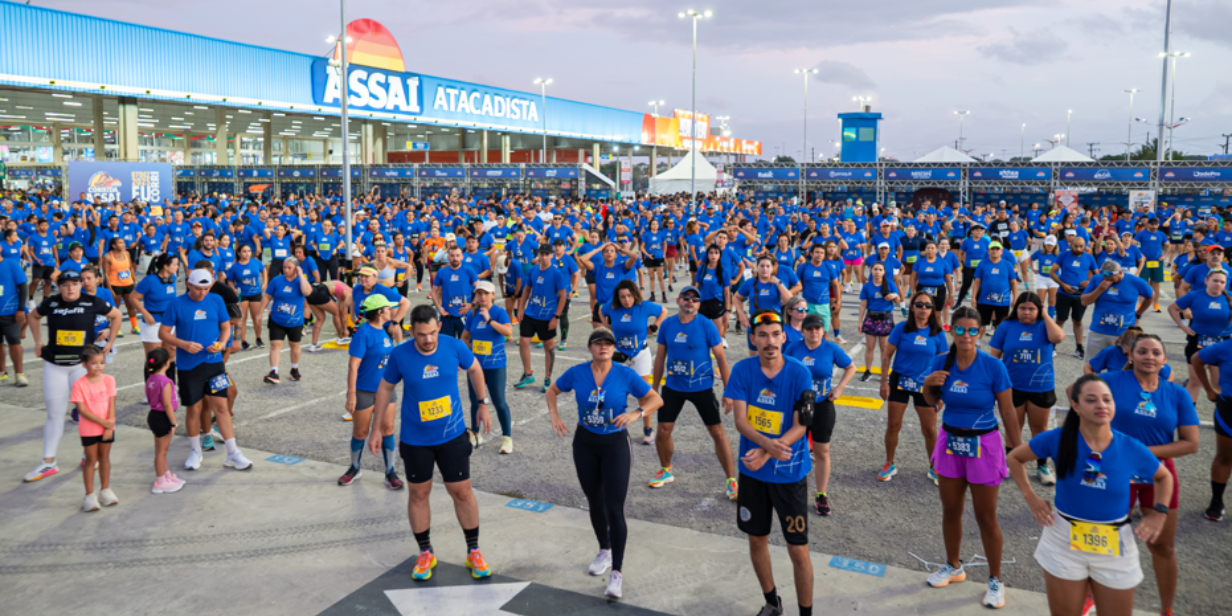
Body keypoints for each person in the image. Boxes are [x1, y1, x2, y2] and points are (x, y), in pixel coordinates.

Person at [1008, 374, 1173, 616]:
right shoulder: (1057, 438)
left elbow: (1164, 476)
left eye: (1107, 399)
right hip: (1063, 539)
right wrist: (1031, 497)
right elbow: (1015, 457)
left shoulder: (1130, 447)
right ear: (1075, 406)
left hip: (1114, 543)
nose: (1101, 405)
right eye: (1091, 400)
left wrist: (1159, 512)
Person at [367, 305, 494, 582]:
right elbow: (385, 388)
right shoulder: (400, 355)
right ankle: (426, 552)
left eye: (433, 333)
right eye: (422, 334)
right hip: (416, 441)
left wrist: (482, 404)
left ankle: (474, 549)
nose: (429, 340)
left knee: (462, 492)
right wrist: (376, 429)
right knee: (418, 495)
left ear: (439, 328)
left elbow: (474, 369)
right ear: (412, 331)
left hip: (452, 436)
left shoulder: (454, 346)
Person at [547, 327, 664, 599]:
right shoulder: (577, 373)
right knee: (594, 500)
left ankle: (617, 573)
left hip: (614, 445)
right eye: (598, 343)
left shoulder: (625, 375)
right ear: (590, 348)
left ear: (614, 349)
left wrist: (637, 414)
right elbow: (552, 390)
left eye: (608, 344)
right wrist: (554, 415)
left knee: (614, 507)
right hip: (585, 443)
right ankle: (604, 550)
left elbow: (656, 399)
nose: (603, 347)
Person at [921, 306, 1021, 609]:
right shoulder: (941, 362)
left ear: (981, 332)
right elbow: (932, 402)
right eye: (960, 330)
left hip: (984, 447)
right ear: (952, 330)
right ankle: (954, 566)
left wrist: (1016, 452)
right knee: (950, 510)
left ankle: (995, 579)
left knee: (986, 516)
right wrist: (928, 385)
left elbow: (1007, 411)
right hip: (950, 443)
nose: (966, 336)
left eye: (972, 330)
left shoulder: (993, 366)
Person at [725, 309, 815, 616]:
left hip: (788, 474)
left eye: (776, 334)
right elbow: (740, 421)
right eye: (762, 335)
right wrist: (764, 447)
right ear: (753, 338)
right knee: (756, 540)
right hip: (752, 472)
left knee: (797, 550)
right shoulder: (742, 370)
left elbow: (801, 425)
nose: (770, 341)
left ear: (784, 337)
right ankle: (772, 602)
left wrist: (766, 450)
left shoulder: (800, 372)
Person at [1101, 334, 1199, 616]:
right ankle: (1092, 599)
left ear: (1164, 360)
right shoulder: (1109, 381)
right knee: (1104, 545)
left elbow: (1190, 443)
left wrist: (1140, 451)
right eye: (1142, 351)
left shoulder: (1176, 393)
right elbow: (1075, 394)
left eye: (1156, 352)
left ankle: (1166, 609)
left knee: (1163, 547)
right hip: (1115, 474)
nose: (1149, 357)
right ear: (1130, 355)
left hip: (1159, 477)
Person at [23, 270, 121, 483]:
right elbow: (33, 316)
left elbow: (116, 315)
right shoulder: (51, 302)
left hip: (81, 367)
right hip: (55, 365)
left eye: (74, 284)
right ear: (59, 286)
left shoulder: (92, 301)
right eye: (65, 284)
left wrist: (110, 341)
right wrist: (38, 342)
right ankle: (48, 462)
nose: (70, 288)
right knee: (54, 415)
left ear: (80, 285)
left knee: (88, 413)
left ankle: (89, 456)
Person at [161, 268, 252, 472]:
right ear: (189, 285)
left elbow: (226, 327)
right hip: (188, 365)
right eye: (198, 289)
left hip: (214, 363)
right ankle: (195, 451)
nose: (202, 293)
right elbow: (163, 332)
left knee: (221, 407)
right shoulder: (176, 303)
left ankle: (232, 453)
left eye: (206, 288)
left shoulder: (216, 300)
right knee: (193, 409)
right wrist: (183, 344)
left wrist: (221, 343)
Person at [649, 285, 736, 497]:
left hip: (702, 387)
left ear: (699, 304)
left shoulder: (707, 325)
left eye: (694, 299)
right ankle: (666, 469)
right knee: (662, 431)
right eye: (686, 298)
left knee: (717, 432)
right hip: (673, 387)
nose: (690, 302)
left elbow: (721, 358)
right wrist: (653, 389)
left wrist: (729, 389)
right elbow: (660, 357)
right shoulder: (668, 325)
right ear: (678, 301)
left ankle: (731, 480)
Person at [988, 292, 1066, 485]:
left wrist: (1046, 315)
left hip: (1041, 386)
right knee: (1013, 426)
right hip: (1012, 387)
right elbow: (994, 356)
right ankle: (1011, 463)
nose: (1026, 312)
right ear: (1016, 309)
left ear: (1039, 309)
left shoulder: (1044, 326)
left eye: (1032, 309)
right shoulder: (1006, 326)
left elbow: (1059, 337)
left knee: (1039, 428)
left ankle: (1042, 466)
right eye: (1022, 308)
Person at [786, 313, 856, 516]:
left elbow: (851, 367)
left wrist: (839, 388)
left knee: (821, 452)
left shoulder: (831, 348)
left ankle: (821, 494)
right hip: (798, 405)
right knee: (792, 448)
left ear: (822, 330)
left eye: (817, 328)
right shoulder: (793, 348)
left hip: (822, 406)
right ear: (803, 330)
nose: (813, 332)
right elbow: (783, 370)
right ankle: (789, 489)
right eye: (809, 329)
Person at [878, 290, 948, 483]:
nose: (923, 309)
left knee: (930, 430)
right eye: (919, 304)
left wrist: (940, 392)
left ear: (933, 309)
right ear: (912, 308)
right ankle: (889, 462)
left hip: (926, 384)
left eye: (928, 305)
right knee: (893, 425)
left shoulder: (938, 333)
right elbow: (886, 355)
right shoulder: (902, 328)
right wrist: (884, 381)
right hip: (900, 381)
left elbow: (944, 364)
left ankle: (934, 466)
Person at [339, 294, 403, 490]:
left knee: (388, 430)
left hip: (386, 390)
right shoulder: (363, 333)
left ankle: (390, 472)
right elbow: (353, 366)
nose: (391, 310)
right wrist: (351, 394)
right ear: (379, 312)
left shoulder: (385, 331)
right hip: (364, 391)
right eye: (388, 308)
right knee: (360, 432)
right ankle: (355, 468)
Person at [462, 281, 515, 454]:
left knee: (499, 401)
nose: (482, 297)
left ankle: (507, 438)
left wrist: (490, 320)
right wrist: (463, 356)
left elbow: (508, 332)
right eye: (479, 293)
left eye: (486, 293)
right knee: (475, 401)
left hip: (495, 365)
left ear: (493, 295)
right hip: (475, 366)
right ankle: (476, 434)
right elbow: (465, 336)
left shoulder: (499, 313)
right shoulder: (472, 314)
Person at [1169, 268, 1232, 403]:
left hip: (1221, 344)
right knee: (1195, 381)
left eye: (1222, 282)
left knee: (1218, 383)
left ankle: (1223, 415)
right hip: (1197, 341)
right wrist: (1182, 326)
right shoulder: (1194, 295)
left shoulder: (1229, 298)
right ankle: (1188, 415)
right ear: (1206, 281)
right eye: (1215, 280)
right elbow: (1172, 308)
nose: (1218, 284)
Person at [514, 246, 569, 392]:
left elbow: (562, 296)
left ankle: (547, 378)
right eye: (541, 254)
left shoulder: (557, 273)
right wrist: (521, 308)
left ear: (551, 255)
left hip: (547, 316)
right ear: (538, 255)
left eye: (546, 254)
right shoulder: (532, 270)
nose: (544, 257)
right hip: (530, 313)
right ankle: (528, 373)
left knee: (548, 347)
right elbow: (526, 289)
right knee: (523, 342)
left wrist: (556, 317)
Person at [72, 346, 118, 512]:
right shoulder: (79, 384)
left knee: (105, 458)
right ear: (84, 364)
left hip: (107, 427)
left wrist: (109, 425)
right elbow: (82, 410)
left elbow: (112, 403)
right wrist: (103, 422)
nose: (99, 366)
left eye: (102, 363)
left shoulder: (109, 380)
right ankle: (89, 495)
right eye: (94, 363)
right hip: (89, 429)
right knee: (91, 460)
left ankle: (105, 490)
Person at [1080, 261, 1153, 360]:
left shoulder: (1135, 281)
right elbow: (1084, 301)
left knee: (1121, 367)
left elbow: (1150, 295)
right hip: (1098, 331)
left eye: (1111, 279)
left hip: (1124, 334)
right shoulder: (1097, 279)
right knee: (1092, 366)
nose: (1108, 281)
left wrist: (1139, 314)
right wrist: (1099, 290)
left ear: (1120, 272)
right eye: (1105, 278)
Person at [1194, 336, 1232, 521]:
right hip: (1229, 408)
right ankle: (1216, 502)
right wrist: (1209, 390)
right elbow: (1196, 359)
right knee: (1225, 457)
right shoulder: (1225, 347)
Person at [260, 256, 313, 384]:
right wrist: (259, 313)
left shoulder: (301, 281)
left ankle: (294, 369)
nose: (286, 270)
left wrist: (301, 275)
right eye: (284, 267)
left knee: (294, 345)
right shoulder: (276, 281)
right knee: (275, 346)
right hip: (277, 319)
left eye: (289, 267)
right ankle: (273, 372)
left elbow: (307, 292)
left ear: (296, 268)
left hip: (295, 321)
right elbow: (267, 297)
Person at [735, 256, 796, 357]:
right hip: (755, 323)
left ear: (772, 268)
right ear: (757, 267)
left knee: (775, 357)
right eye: (762, 266)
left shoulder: (777, 282)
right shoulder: (749, 283)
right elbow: (736, 298)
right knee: (755, 358)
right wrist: (741, 314)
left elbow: (790, 301)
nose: (765, 269)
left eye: (768, 266)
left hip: (774, 323)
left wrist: (778, 283)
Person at [145, 347, 184, 495]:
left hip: (154, 414)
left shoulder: (150, 379)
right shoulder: (166, 382)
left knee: (162, 450)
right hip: (163, 417)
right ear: (167, 364)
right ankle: (160, 481)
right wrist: (174, 423)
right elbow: (167, 404)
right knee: (161, 452)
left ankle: (166, 474)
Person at [1052, 236, 1098, 359]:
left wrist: (1089, 282)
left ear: (1085, 246)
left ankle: (1079, 348)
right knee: (1060, 320)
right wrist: (1062, 284)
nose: (1078, 248)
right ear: (1071, 245)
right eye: (1075, 246)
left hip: (1080, 296)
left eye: (1081, 246)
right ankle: (1052, 347)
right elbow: (1052, 272)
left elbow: (1097, 275)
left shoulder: (1089, 258)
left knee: (1077, 321)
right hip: (1063, 293)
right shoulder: (1063, 256)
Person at [858, 261, 900, 381]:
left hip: (885, 319)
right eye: (875, 269)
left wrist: (894, 296)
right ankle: (868, 371)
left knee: (884, 348)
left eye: (880, 270)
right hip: (871, 317)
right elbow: (863, 305)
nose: (877, 272)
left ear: (884, 272)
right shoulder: (867, 286)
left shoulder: (890, 284)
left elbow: (897, 302)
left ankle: (884, 372)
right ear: (871, 271)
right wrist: (859, 322)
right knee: (869, 347)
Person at [133, 253, 180, 358]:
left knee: (171, 357)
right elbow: (133, 297)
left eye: (177, 265)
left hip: (169, 323)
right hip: (153, 323)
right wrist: (145, 313)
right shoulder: (149, 280)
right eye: (175, 265)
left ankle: (169, 375)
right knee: (154, 360)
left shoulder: (172, 278)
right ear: (165, 266)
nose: (177, 267)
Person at [970, 241, 1019, 337]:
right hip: (984, 300)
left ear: (1001, 251)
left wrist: (1015, 298)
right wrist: (973, 298)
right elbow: (977, 282)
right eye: (992, 249)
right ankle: (977, 344)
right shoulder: (982, 264)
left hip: (1003, 301)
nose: (995, 251)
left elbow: (1013, 282)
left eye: (997, 249)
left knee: (1001, 326)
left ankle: (998, 347)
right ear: (988, 251)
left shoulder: (1008, 265)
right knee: (981, 324)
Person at [433, 245, 478, 339]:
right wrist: (438, 307)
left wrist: (472, 304)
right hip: (447, 316)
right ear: (448, 257)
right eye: (452, 255)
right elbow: (434, 291)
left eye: (457, 255)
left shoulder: (469, 271)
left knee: (466, 346)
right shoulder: (441, 272)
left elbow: (480, 289)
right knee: (447, 346)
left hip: (465, 316)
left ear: (462, 257)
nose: (455, 258)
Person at [0, 243, 29, 386]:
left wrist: (20, 309)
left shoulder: (11, 264)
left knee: (14, 341)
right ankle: (2, 372)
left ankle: (19, 374)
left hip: (10, 311)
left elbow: (23, 286)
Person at [227, 244, 266, 350]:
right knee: (242, 318)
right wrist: (233, 289)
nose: (247, 253)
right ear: (239, 253)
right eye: (244, 251)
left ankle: (258, 339)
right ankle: (243, 341)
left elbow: (263, 270)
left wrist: (265, 282)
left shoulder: (256, 262)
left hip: (256, 293)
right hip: (242, 295)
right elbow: (230, 280)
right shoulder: (234, 266)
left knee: (257, 317)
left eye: (249, 250)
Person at [100, 236, 141, 337]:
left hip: (128, 284)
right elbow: (106, 275)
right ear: (114, 246)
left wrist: (134, 281)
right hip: (115, 285)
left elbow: (131, 268)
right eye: (120, 243)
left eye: (123, 243)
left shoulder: (126, 253)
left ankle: (134, 326)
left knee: (131, 306)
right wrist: (110, 289)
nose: (123, 245)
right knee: (115, 308)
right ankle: (116, 328)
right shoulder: (108, 257)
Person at [694, 244, 732, 339]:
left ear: (720, 255)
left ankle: (718, 353)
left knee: (718, 336)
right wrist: (694, 304)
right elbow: (696, 287)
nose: (713, 255)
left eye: (716, 253)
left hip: (717, 304)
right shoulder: (701, 269)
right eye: (711, 253)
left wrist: (727, 311)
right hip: (703, 304)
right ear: (707, 255)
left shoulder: (724, 272)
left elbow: (727, 292)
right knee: (701, 334)